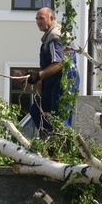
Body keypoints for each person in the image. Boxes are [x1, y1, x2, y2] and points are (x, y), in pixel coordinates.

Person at [28, 7, 81, 136]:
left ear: (52, 18)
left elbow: (59, 64)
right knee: (36, 110)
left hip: (64, 82)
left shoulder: (54, 36)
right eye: (36, 19)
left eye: (41, 18)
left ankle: (60, 143)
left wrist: (39, 75)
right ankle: (50, 137)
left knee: (61, 119)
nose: (38, 21)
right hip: (54, 82)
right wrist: (43, 79)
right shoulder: (49, 35)